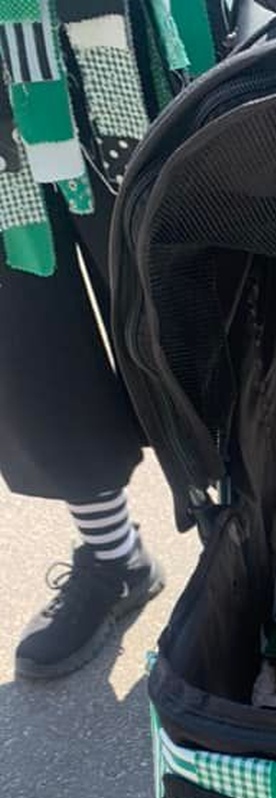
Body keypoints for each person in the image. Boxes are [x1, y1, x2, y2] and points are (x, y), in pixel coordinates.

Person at [1, 0, 223, 678]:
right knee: (25, 339)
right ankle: (114, 555)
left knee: (181, 311)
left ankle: (248, 538)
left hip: (114, 38)